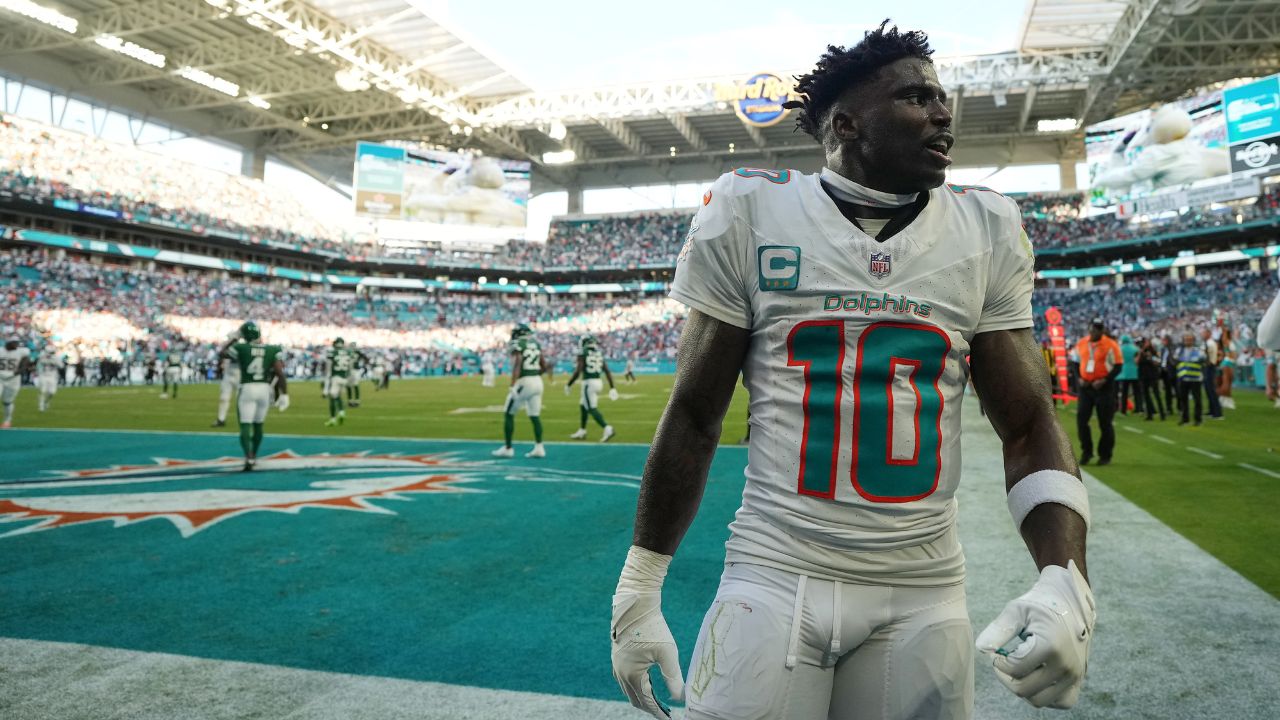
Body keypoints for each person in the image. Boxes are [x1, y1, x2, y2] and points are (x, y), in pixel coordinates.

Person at [610, 24, 1094, 720]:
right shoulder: (751, 208)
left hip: (924, 587)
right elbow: (694, 413)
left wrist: (1064, 580)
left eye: (941, 96)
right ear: (846, 123)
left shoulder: (985, 227)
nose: (942, 113)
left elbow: (1027, 422)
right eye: (915, 97)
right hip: (774, 571)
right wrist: (639, 582)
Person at [217, 321, 289, 471]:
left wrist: (235, 338)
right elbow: (280, 373)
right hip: (264, 389)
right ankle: (254, 455)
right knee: (258, 425)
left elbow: (223, 353)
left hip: (247, 387)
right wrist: (284, 394)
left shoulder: (241, 347)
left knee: (245, 424)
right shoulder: (272, 349)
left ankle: (249, 456)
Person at [493, 323, 549, 458]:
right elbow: (544, 365)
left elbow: (518, 363)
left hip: (524, 381)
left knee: (508, 413)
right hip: (537, 381)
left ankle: (508, 448)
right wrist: (535, 375)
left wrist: (513, 384)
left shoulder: (519, 344)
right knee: (535, 416)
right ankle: (539, 447)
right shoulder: (535, 343)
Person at [1073, 318, 1122, 466]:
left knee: (1105, 423)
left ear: (1102, 331)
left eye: (1097, 329)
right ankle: (1086, 452)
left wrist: (1105, 380)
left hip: (1104, 388)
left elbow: (1118, 366)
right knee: (1081, 420)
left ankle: (1105, 455)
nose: (1093, 332)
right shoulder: (1082, 343)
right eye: (1092, 329)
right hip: (1086, 387)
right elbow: (1074, 362)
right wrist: (1079, 378)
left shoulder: (1111, 345)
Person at [565, 334, 617, 442]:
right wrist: (612, 387)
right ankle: (582, 430)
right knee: (583, 404)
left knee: (591, 408)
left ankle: (607, 428)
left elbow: (578, 371)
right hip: (598, 381)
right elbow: (607, 371)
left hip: (589, 383)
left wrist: (569, 384)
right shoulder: (598, 353)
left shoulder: (583, 352)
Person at [1175, 332, 1206, 426]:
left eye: (1189, 339)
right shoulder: (1179, 351)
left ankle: (1198, 419)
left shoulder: (1199, 351)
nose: (1187, 341)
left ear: (1193, 341)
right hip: (1183, 378)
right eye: (1186, 339)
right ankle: (1185, 419)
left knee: (1197, 400)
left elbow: (1203, 360)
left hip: (1195, 379)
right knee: (1183, 400)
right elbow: (1175, 360)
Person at [0, 338, 31, 428]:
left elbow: (25, 365)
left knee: (7, 402)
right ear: (8, 343)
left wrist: (15, 373)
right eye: (14, 343)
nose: (16, 345)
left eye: (17, 343)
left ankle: (7, 421)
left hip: (13, 379)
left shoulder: (21, 352)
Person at [323, 337, 352, 426]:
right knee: (338, 396)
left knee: (332, 397)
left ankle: (333, 418)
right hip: (344, 378)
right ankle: (341, 412)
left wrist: (326, 382)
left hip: (335, 377)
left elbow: (328, 368)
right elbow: (350, 367)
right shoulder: (348, 352)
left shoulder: (332, 353)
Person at [212, 340, 240, 427]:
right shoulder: (233, 348)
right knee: (224, 398)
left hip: (241, 375)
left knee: (242, 399)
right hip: (228, 374)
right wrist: (231, 342)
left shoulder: (245, 348)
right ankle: (221, 419)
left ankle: (244, 420)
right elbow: (221, 354)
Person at [1137, 337, 1166, 421]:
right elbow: (1136, 362)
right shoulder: (1140, 352)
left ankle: (1162, 414)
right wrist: (1141, 351)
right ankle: (1149, 414)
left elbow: (1158, 361)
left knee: (1156, 394)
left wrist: (1151, 357)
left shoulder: (1153, 351)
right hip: (1143, 375)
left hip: (1152, 375)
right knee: (1146, 396)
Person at [1201, 328, 1223, 419]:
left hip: (1209, 367)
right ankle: (1212, 411)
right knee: (1208, 390)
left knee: (1211, 390)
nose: (1202, 335)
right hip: (1208, 367)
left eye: (1203, 333)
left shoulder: (1210, 343)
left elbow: (1207, 357)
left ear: (1208, 334)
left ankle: (1217, 413)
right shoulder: (1209, 343)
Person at [1116, 334, 1141, 415]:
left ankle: (1123, 410)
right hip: (1135, 372)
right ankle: (1138, 408)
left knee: (1124, 393)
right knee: (1137, 392)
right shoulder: (1135, 348)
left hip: (1124, 372)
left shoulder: (1120, 349)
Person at [36, 345, 63, 413]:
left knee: (52, 392)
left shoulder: (56, 358)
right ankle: (41, 405)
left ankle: (46, 402)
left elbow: (61, 366)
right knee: (43, 391)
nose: (51, 354)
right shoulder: (41, 357)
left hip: (53, 376)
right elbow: (38, 365)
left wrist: (54, 361)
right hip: (43, 375)